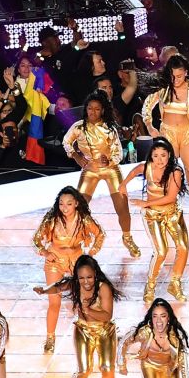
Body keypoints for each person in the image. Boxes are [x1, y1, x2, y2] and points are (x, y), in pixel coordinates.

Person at [37, 254, 120, 378]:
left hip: (104, 331)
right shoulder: (75, 284)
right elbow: (59, 287)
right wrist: (44, 290)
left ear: (95, 274)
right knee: (84, 369)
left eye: (89, 277)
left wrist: (89, 311)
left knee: (107, 367)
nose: (86, 281)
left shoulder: (104, 288)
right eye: (81, 278)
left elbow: (107, 315)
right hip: (83, 330)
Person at [62, 92, 140, 257]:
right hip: (90, 169)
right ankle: (73, 238)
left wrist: (110, 161)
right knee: (78, 206)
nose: (92, 112)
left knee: (122, 207)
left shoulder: (109, 129)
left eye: (97, 109)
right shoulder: (79, 127)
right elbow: (66, 141)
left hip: (110, 169)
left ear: (103, 110)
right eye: (90, 108)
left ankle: (127, 237)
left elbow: (119, 152)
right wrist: (76, 156)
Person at [30, 186, 105, 352]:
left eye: (69, 204)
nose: (64, 208)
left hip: (77, 262)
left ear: (76, 203)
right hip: (55, 261)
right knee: (54, 301)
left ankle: (93, 335)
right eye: (61, 204)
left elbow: (100, 234)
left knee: (86, 301)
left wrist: (91, 253)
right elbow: (35, 240)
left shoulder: (84, 219)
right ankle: (50, 337)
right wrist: (44, 252)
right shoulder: (52, 220)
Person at [118, 137, 189, 302]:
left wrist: (146, 202)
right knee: (161, 252)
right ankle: (150, 286)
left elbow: (171, 197)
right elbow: (136, 169)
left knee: (183, 247)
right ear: (151, 156)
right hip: (153, 215)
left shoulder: (175, 172)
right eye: (155, 155)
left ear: (169, 155)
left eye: (163, 155)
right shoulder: (147, 167)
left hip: (172, 213)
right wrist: (123, 184)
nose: (159, 160)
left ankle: (175, 283)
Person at [140, 55, 189, 212]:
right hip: (168, 134)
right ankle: (163, 208)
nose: (176, 80)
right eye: (172, 76)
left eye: (179, 76)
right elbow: (147, 105)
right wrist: (150, 126)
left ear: (186, 72)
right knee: (165, 175)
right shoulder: (163, 89)